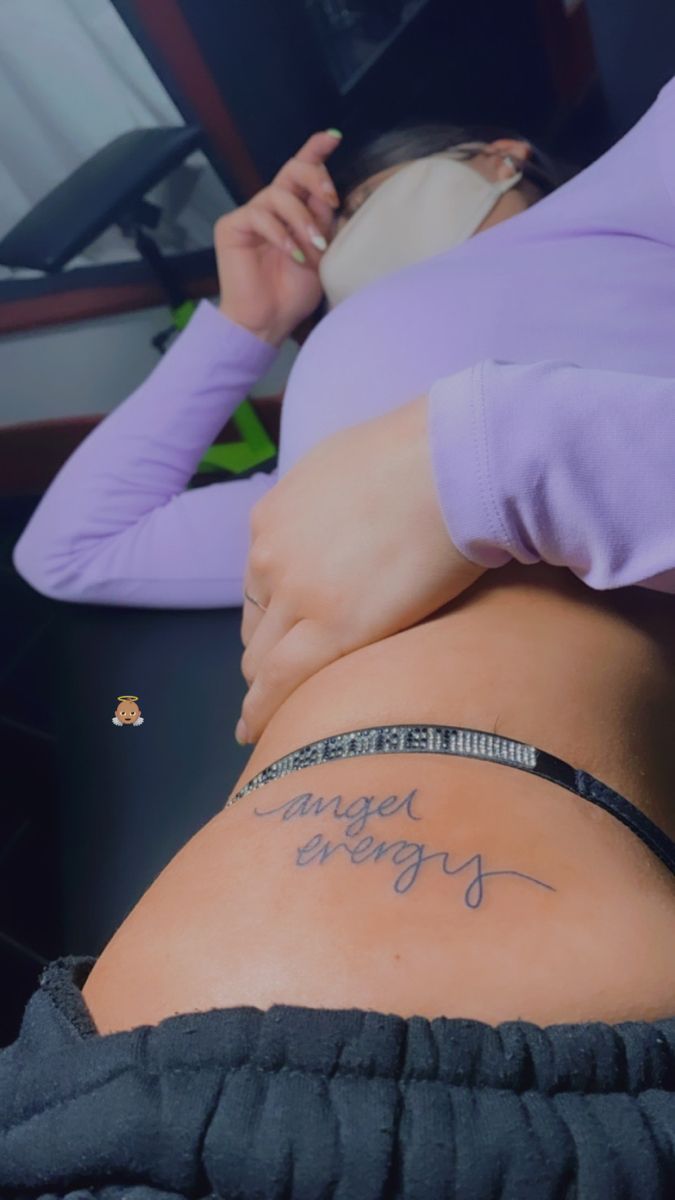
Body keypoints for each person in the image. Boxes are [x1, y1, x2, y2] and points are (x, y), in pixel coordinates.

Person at [5, 79, 675, 1197]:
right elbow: (69, 551)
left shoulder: (632, 201)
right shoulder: (312, 490)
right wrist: (248, 322)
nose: (344, 231)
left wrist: (500, 461)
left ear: (501, 152)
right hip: (104, 1102)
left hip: (579, 1102)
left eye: (370, 196)